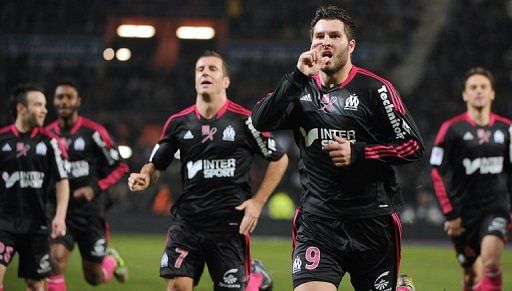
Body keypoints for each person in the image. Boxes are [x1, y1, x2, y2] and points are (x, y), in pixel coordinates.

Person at [251, 5, 424, 291]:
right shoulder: (300, 88)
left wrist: (360, 152)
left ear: (350, 45)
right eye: (319, 36)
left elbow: (412, 146)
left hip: (372, 221)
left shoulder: (376, 90)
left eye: (334, 35)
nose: (325, 42)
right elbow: (260, 120)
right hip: (318, 222)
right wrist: (296, 77)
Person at [128, 51, 288, 291]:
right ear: (195, 79)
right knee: (177, 287)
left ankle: (255, 277)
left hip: (230, 226)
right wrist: (145, 176)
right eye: (200, 69)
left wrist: (257, 202)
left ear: (225, 81)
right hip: (188, 224)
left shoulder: (246, 121)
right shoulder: (178, 123)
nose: (205, 72)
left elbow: (279, 159)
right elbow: (156, 164)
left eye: (213, 69)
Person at [430, 67, 511, 291]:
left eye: (483, 87)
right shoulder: (452, 130)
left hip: (496, 209)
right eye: (473, 87)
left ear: (492, 93)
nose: (479, 91)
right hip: (463, 215)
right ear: (465, 95)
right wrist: (450, 214)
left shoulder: (507, 130)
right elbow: (436, 171)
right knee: (471, 275)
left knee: (491, 262)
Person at [45, 81, 129, 290]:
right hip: (59, 212)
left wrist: (95, 188)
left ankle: (110, 261)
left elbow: (120, 166)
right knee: (55, 260)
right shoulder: (47, 136)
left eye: (69, 97)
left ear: (78, 101)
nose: (64, 101)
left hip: (90, 213)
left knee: (93, 277)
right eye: (60, 97)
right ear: (54, 101)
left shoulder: (94, 133)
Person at [0, 84, 69, 291]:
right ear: (21, 108)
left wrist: (60, 216)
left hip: (36, 226)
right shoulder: (2, 139)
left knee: (35, 285)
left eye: (45, 105)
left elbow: (62, 180)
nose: (45, 110)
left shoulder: (50, 142)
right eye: (38, 104)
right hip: (3, 224)